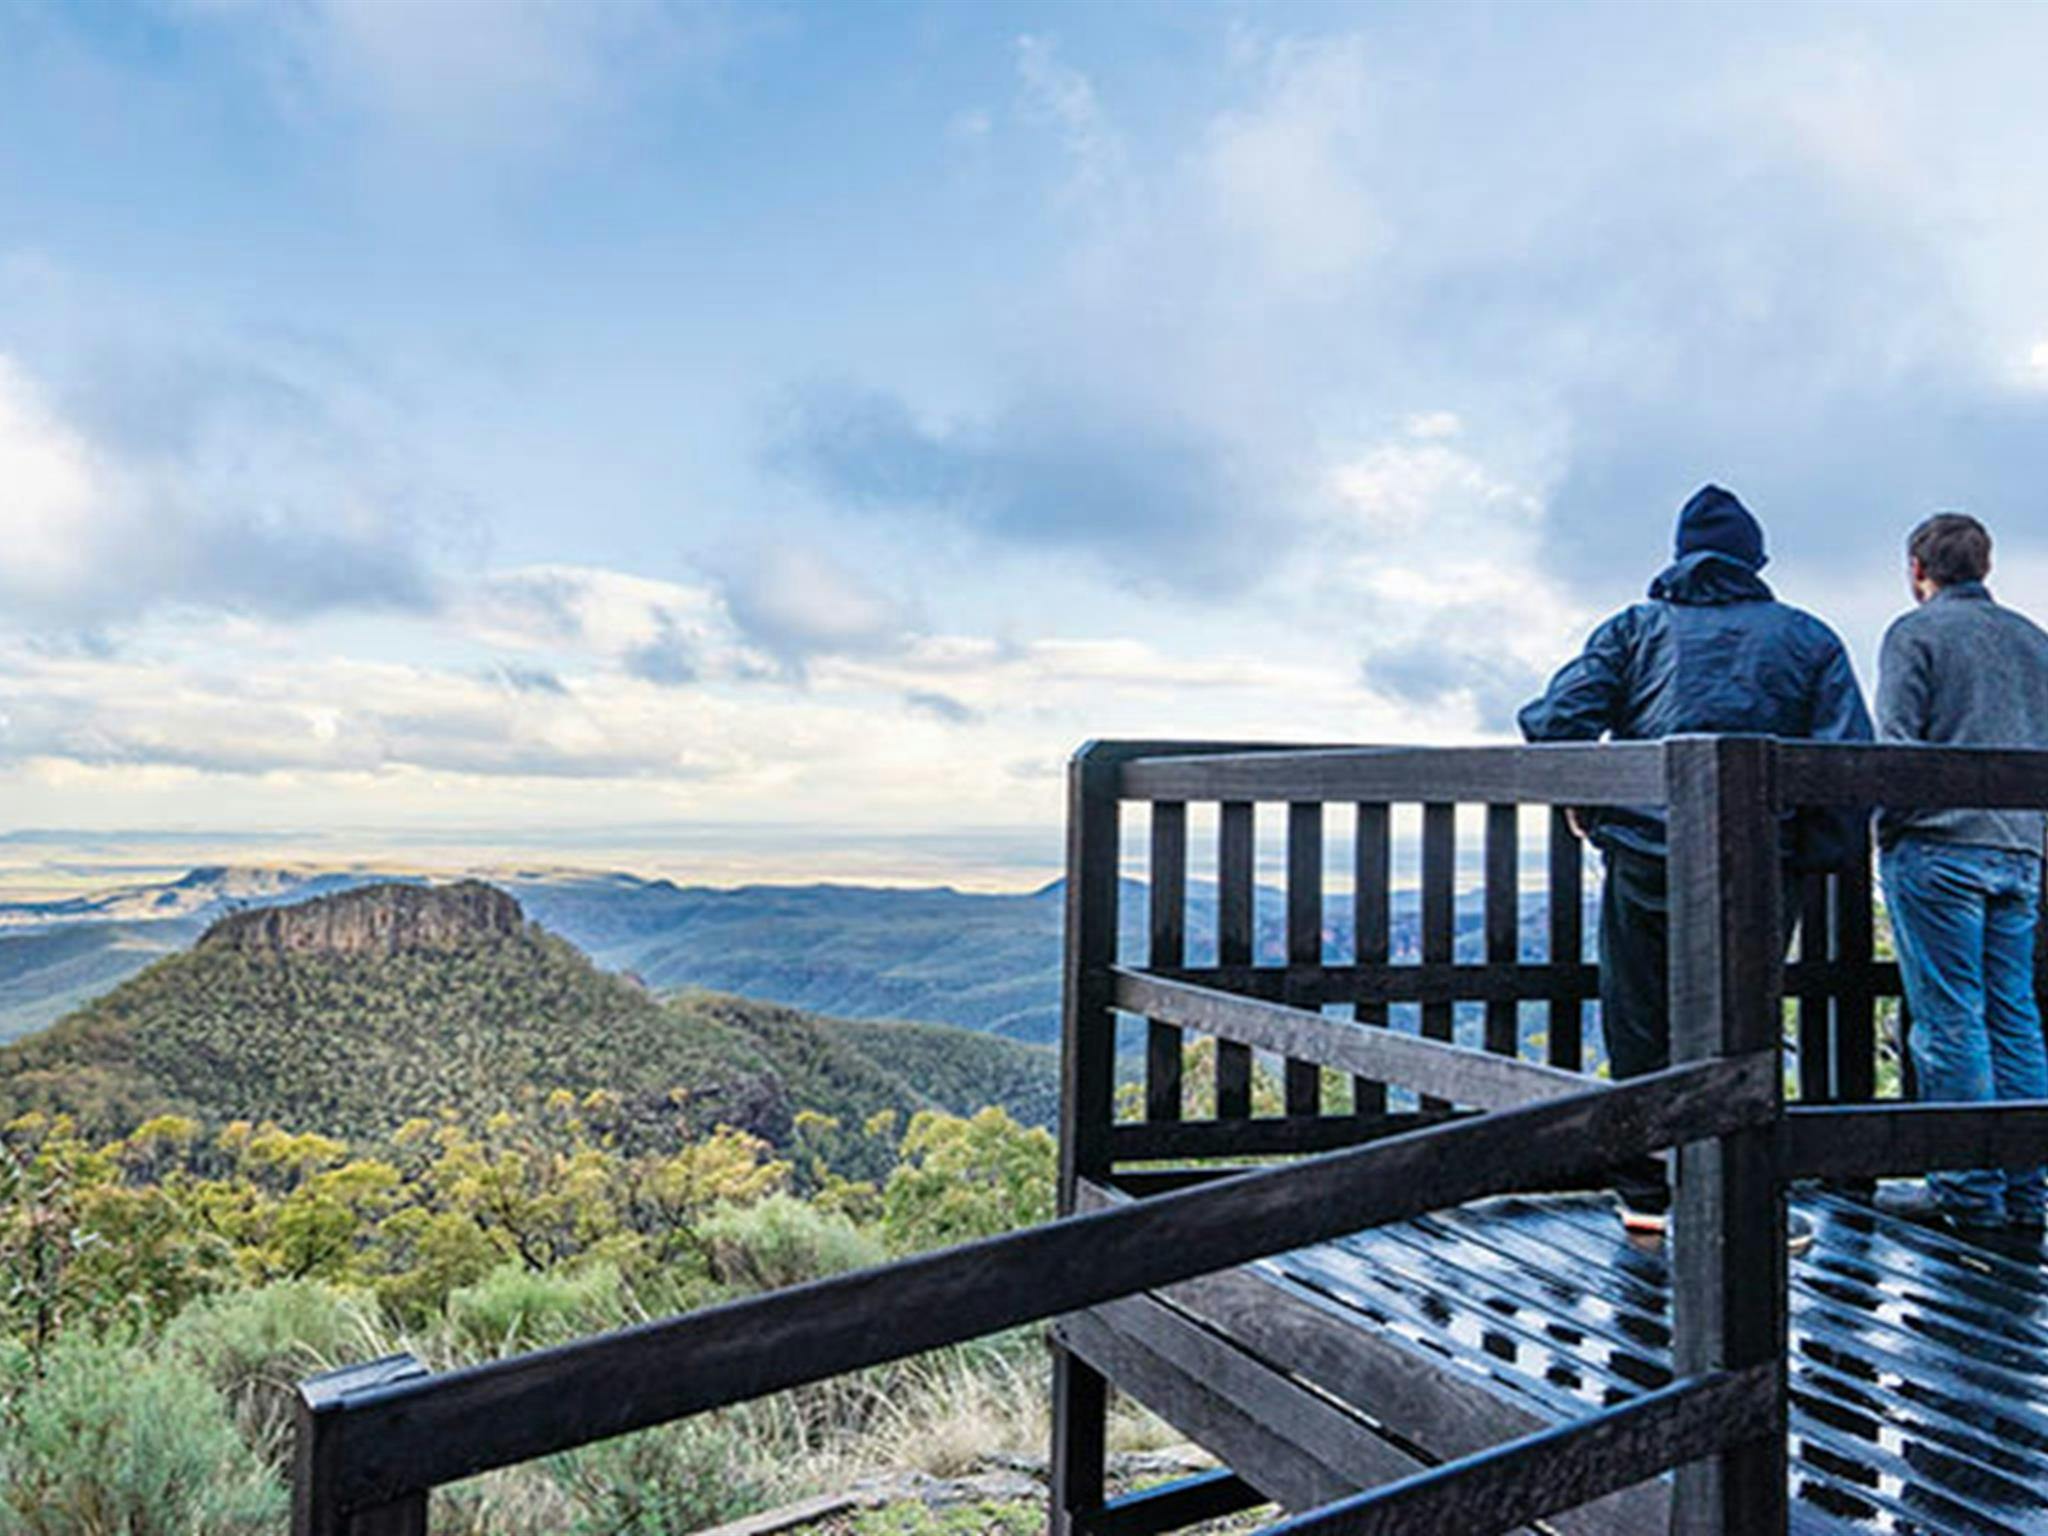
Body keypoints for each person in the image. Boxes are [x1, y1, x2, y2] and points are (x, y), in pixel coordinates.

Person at [1519, 484, 1874, 1237]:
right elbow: (1848, 763)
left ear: (1681, 557)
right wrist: (1811, 859)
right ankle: (1743, 1197)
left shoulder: (1635, 630)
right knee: (1742, 1029)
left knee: (1640, 1022)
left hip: (1648, 857)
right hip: (1762, 866)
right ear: (1755, 561)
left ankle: (1647, 1196)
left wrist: (1600, 806)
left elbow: (1555, 721)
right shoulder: (1809, 638)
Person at [1877, 513, 2048, 1241]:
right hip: (2021, 850)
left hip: (1941, 846)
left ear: (1919, 567)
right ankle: (2027, 1188)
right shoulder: (2034, 642)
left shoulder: (1913, 636)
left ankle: (1966, 1189)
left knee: (1951, 1018)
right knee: (2014, 1015)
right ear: (1987, 566)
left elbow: (1897, 749)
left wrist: (1889, 829)